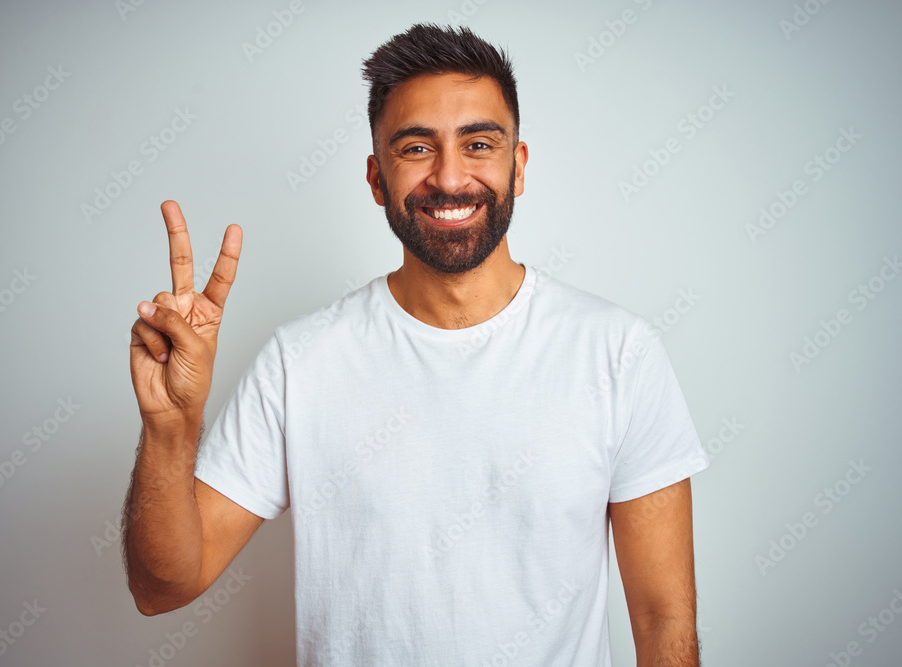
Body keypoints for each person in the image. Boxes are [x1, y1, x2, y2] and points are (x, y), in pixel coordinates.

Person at [124, 23, 709, 666]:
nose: (451, 177)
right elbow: (162, 588)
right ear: (377, 180)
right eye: (416, 148)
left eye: (479, 143)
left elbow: (662, 621)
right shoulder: (301, 363)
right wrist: (170, 429)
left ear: (517, 168)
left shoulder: (618, 354)